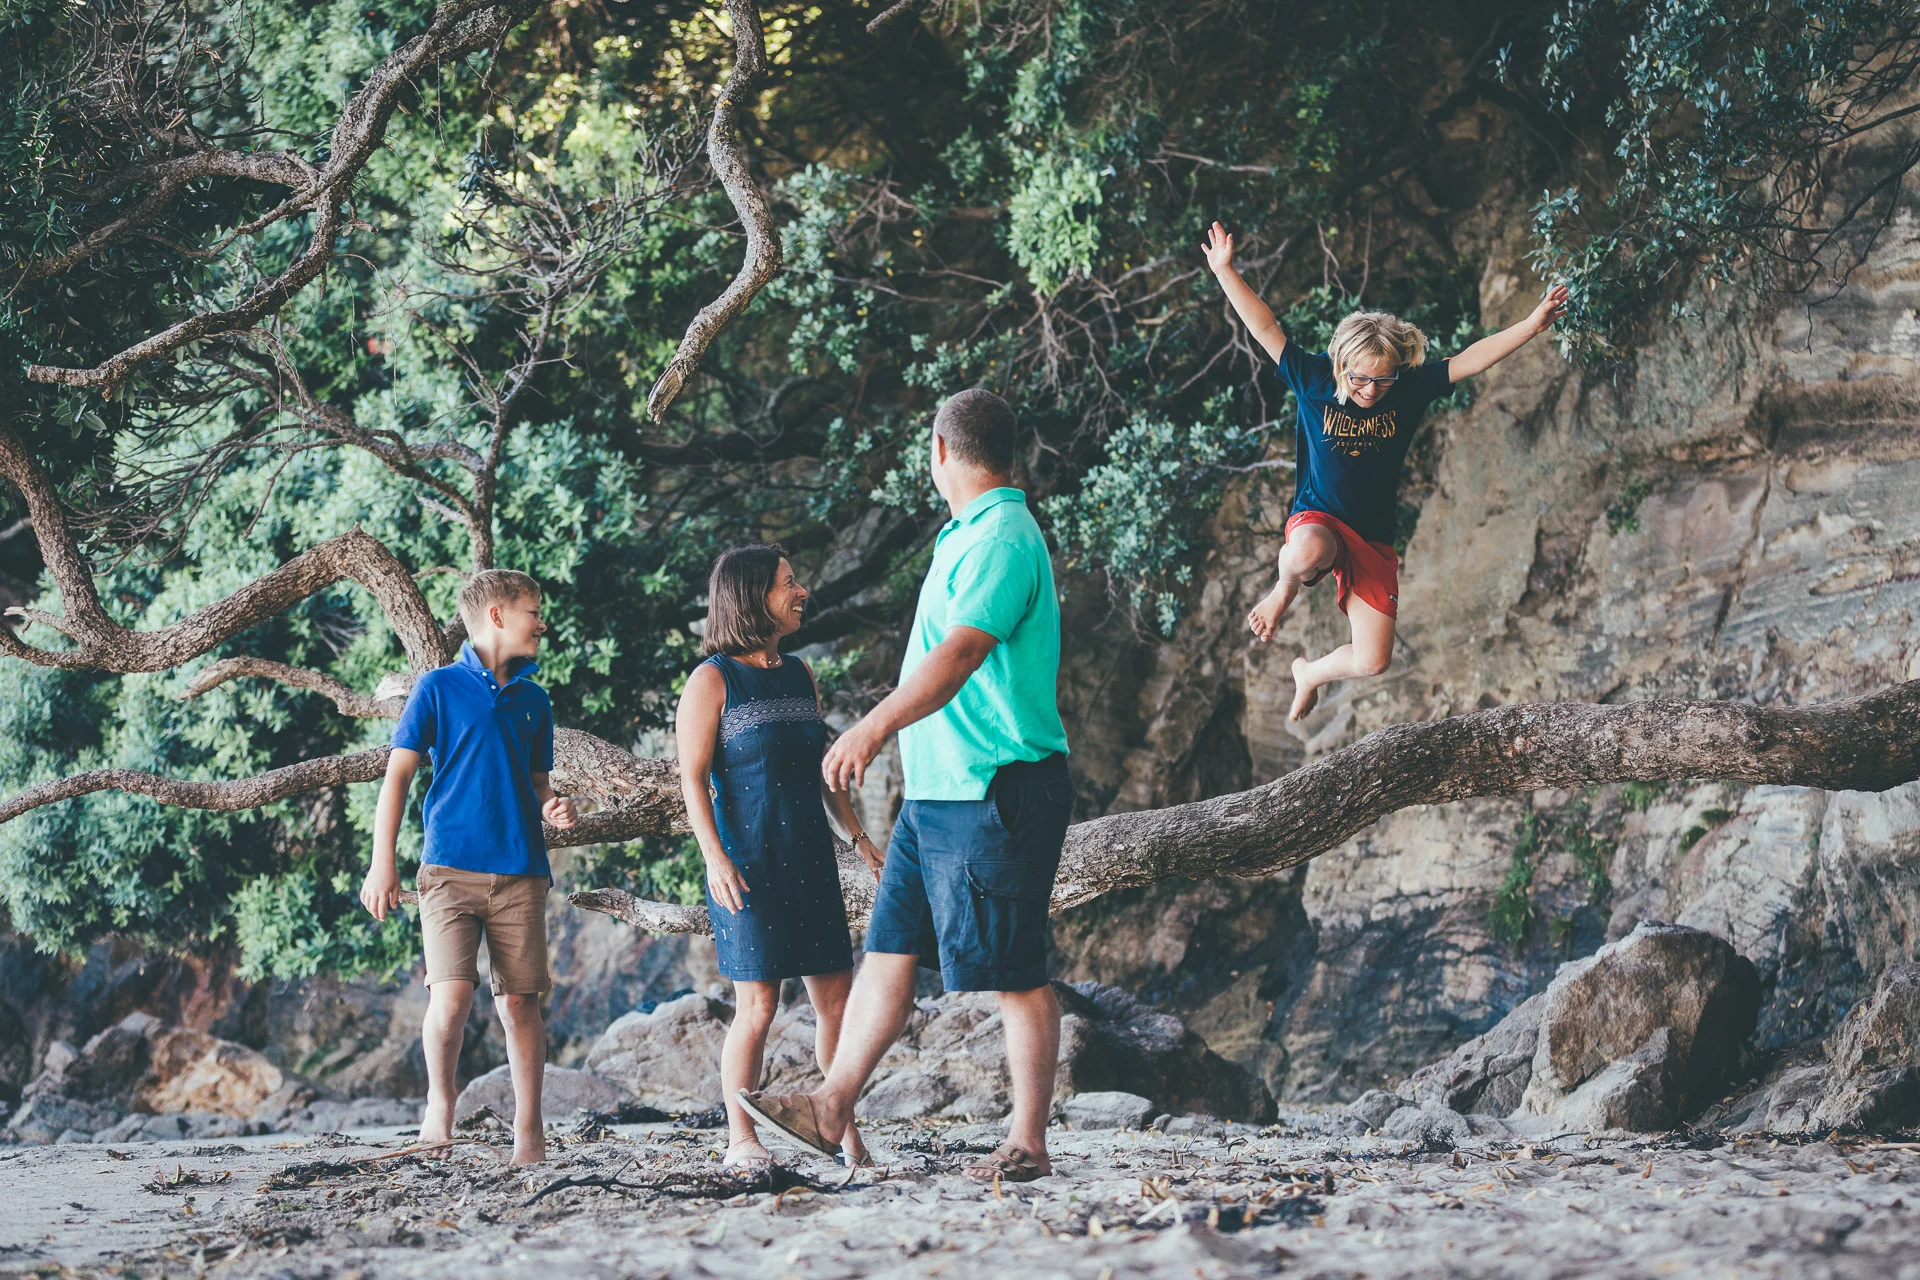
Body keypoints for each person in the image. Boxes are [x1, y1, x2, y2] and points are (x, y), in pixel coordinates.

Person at [739, 388, 1074, 1184]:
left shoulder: (1002, 537)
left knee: (1015, 970)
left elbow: (958, 658)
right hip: (937, 795)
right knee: (888, 954)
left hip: (996, 788)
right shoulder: (964, 535)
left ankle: (1028, 1142)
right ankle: (830, 1105)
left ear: (940, 450)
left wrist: (870, 728)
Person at [1203, 221, 1568, 720]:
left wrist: (1530, 325)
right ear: (1340, 365)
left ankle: (1309, 674)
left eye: (1383, 380)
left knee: (1373, 661)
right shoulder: (1313, 378)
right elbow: (1265, 327)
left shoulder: (1409, 389)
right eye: (1359, 379)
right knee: (1307, 552)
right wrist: (1225, 271)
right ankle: (1282, 591)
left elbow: (1471, 360)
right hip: (1318, 520)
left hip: (1372, 537)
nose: (1370, 390)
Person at [675, 544, 885, 1170]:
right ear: (751, 596)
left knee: (836, 1004)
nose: (801, 592)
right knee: (758, 1007)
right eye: (788, 583)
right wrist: (714, 859)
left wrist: (859, 838)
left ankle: (844, 1134)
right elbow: (692, 780)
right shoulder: (711, 680)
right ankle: (741, 1139)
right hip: (747, 866)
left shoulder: (799, 673)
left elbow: (823, 772)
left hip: (812, 858)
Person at [359, 568, 577, 1166]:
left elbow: (538, 782)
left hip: (521, 871)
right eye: (534, 611)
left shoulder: (535, 701)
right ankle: (440, 1102)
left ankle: (529, 1130)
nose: (542, 622)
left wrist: (552, 805)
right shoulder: (437, 688)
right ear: (498, 616)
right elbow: (397, 778)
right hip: (448, 871)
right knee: (450, 998)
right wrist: (382, 864)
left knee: (520, 1004)